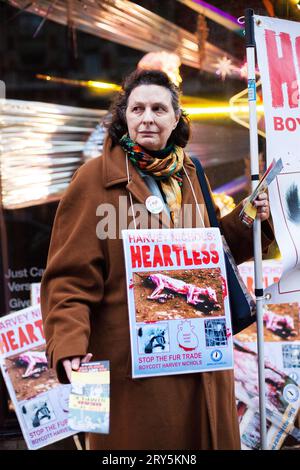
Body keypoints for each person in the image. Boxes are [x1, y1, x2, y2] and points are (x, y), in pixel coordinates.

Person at [41, 69, 273, 450]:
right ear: (123, 117)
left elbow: (212, 250)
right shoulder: (93, 180)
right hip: (133, 372)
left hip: (199, 357)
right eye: (137, 108)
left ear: (176, 118)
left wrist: (249, 217)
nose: (147, 117)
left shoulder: (191, 173)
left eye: (158, 108)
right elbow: (69, 279)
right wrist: (67, 345)